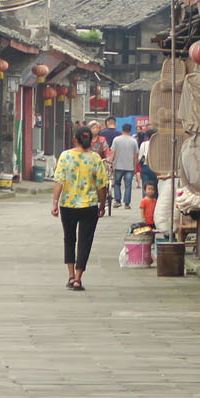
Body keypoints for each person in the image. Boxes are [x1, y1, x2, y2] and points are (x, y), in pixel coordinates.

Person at [51, 125, 110, 292]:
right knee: (85, 242)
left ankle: (70, 275)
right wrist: (102, 205)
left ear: (75, 139)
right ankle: (78, 278)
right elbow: (102, 185)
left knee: (69, 239)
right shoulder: (95, 158)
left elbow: (59, 180)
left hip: (68, 205)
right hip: (89, 206)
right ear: (89, 139)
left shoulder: (65, 156)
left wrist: (55, 203)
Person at [109, 123, 139, 208]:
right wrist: (135, 166)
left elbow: (113, 152)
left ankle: (118, 200)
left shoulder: (116, 140)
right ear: (130, 130)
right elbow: (136, 155)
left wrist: (111, 162)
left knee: (117, 184)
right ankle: (127, 203)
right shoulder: (134, 141)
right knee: (128, 185)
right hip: (129, 167)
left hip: (118, 166)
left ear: (122, 130)